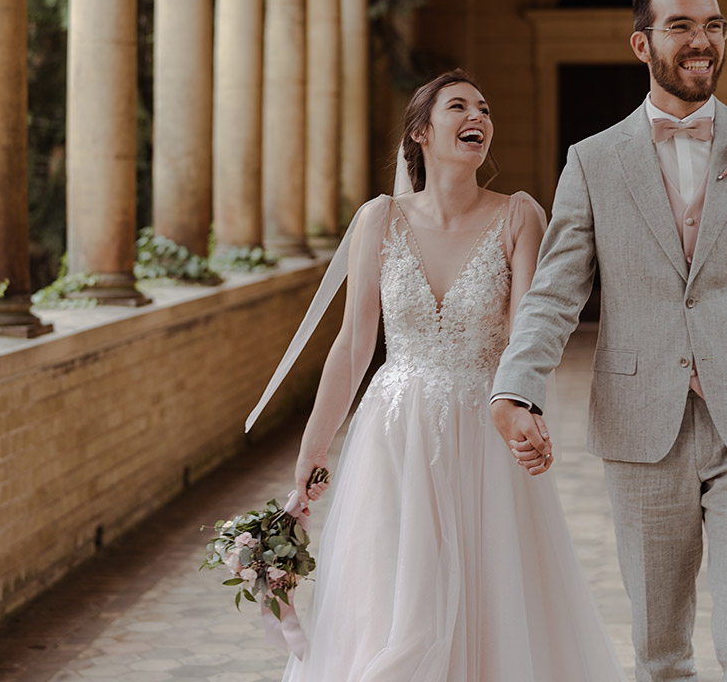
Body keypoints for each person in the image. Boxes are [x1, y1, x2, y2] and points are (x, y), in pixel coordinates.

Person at [491, 0, 727, 682]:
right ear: (642, 44)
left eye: (712, 25)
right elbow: (556, 292)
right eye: (680, 26)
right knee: (659, 650)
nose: (701, 40)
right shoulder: (592, 161)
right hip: (642, 425)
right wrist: (516, 387)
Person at [248, 70, 626, 681]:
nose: (478, 115)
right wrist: (313, 448)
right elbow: (353, 344)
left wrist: (526, 407)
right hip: (393, 432)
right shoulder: (379, 219)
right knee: (395, 592)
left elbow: (529, 335)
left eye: (484, 106)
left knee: (488, 583)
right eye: (458, 106)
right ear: (421, 132)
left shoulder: (520, 216)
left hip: (485, 430)